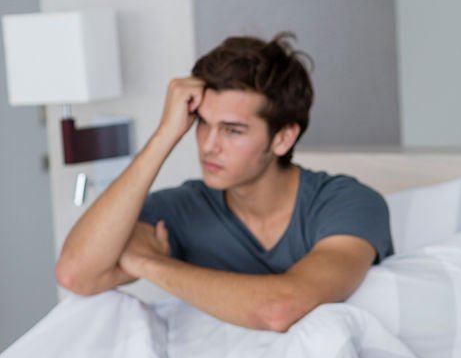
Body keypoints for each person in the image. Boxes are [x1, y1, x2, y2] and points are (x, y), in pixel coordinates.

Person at [55, 33, 392, 333]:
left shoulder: (347, 202)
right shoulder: (184, 207)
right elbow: (76, 274)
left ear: (283, 138)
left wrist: (149, 263)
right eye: (202, 124)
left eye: (232, 130)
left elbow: (280, 310)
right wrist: (165, 135)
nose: (208, 145)